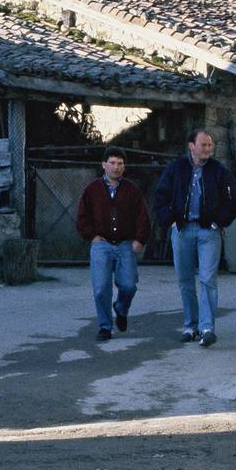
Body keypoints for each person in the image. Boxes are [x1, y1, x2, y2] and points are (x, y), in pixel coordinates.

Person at [153, 129, 236, 348]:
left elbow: (234, 200)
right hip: (182, 231)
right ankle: (190, 326)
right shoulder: (176, 169)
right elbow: (160, 196)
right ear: (191, 146)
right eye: (204, 145)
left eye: (210, 145)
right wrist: (171, 220)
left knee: (207, 279)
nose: (208, 149)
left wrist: (217, 222)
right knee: (185, 280)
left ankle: (207, 328)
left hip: (208, 232)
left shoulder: (219, 171)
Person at [75, 146, 151, 342]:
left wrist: (139, 239)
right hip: (102, 244)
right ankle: (105, 327)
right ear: (104, 165)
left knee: (129, 285)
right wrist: (91, 236)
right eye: (112, 163)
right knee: (101, 288)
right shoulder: (92, 190)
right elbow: (82, 217)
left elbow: (142, 216)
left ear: (124, 167)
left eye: (120, 164)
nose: (116, 167)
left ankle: (121, 308)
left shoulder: (131, 190)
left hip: (125, 245)